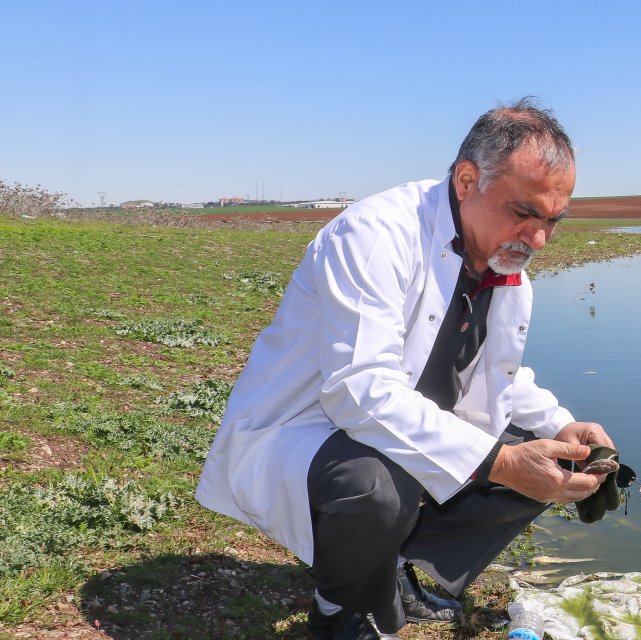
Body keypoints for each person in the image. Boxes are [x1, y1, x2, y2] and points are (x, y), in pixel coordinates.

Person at [196, 98, 617, 640]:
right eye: (524, 213)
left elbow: (500, 372)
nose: (538, 240)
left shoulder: (503, 262)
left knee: (550, 459)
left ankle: (392, 571)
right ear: (467, 180)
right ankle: (339, 609)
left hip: (402, 416)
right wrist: (504, 461)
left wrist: (561, 426)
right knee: (378, 487)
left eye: (553, 221)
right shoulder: (376, 235)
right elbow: (359, 390)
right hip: (311, 425)